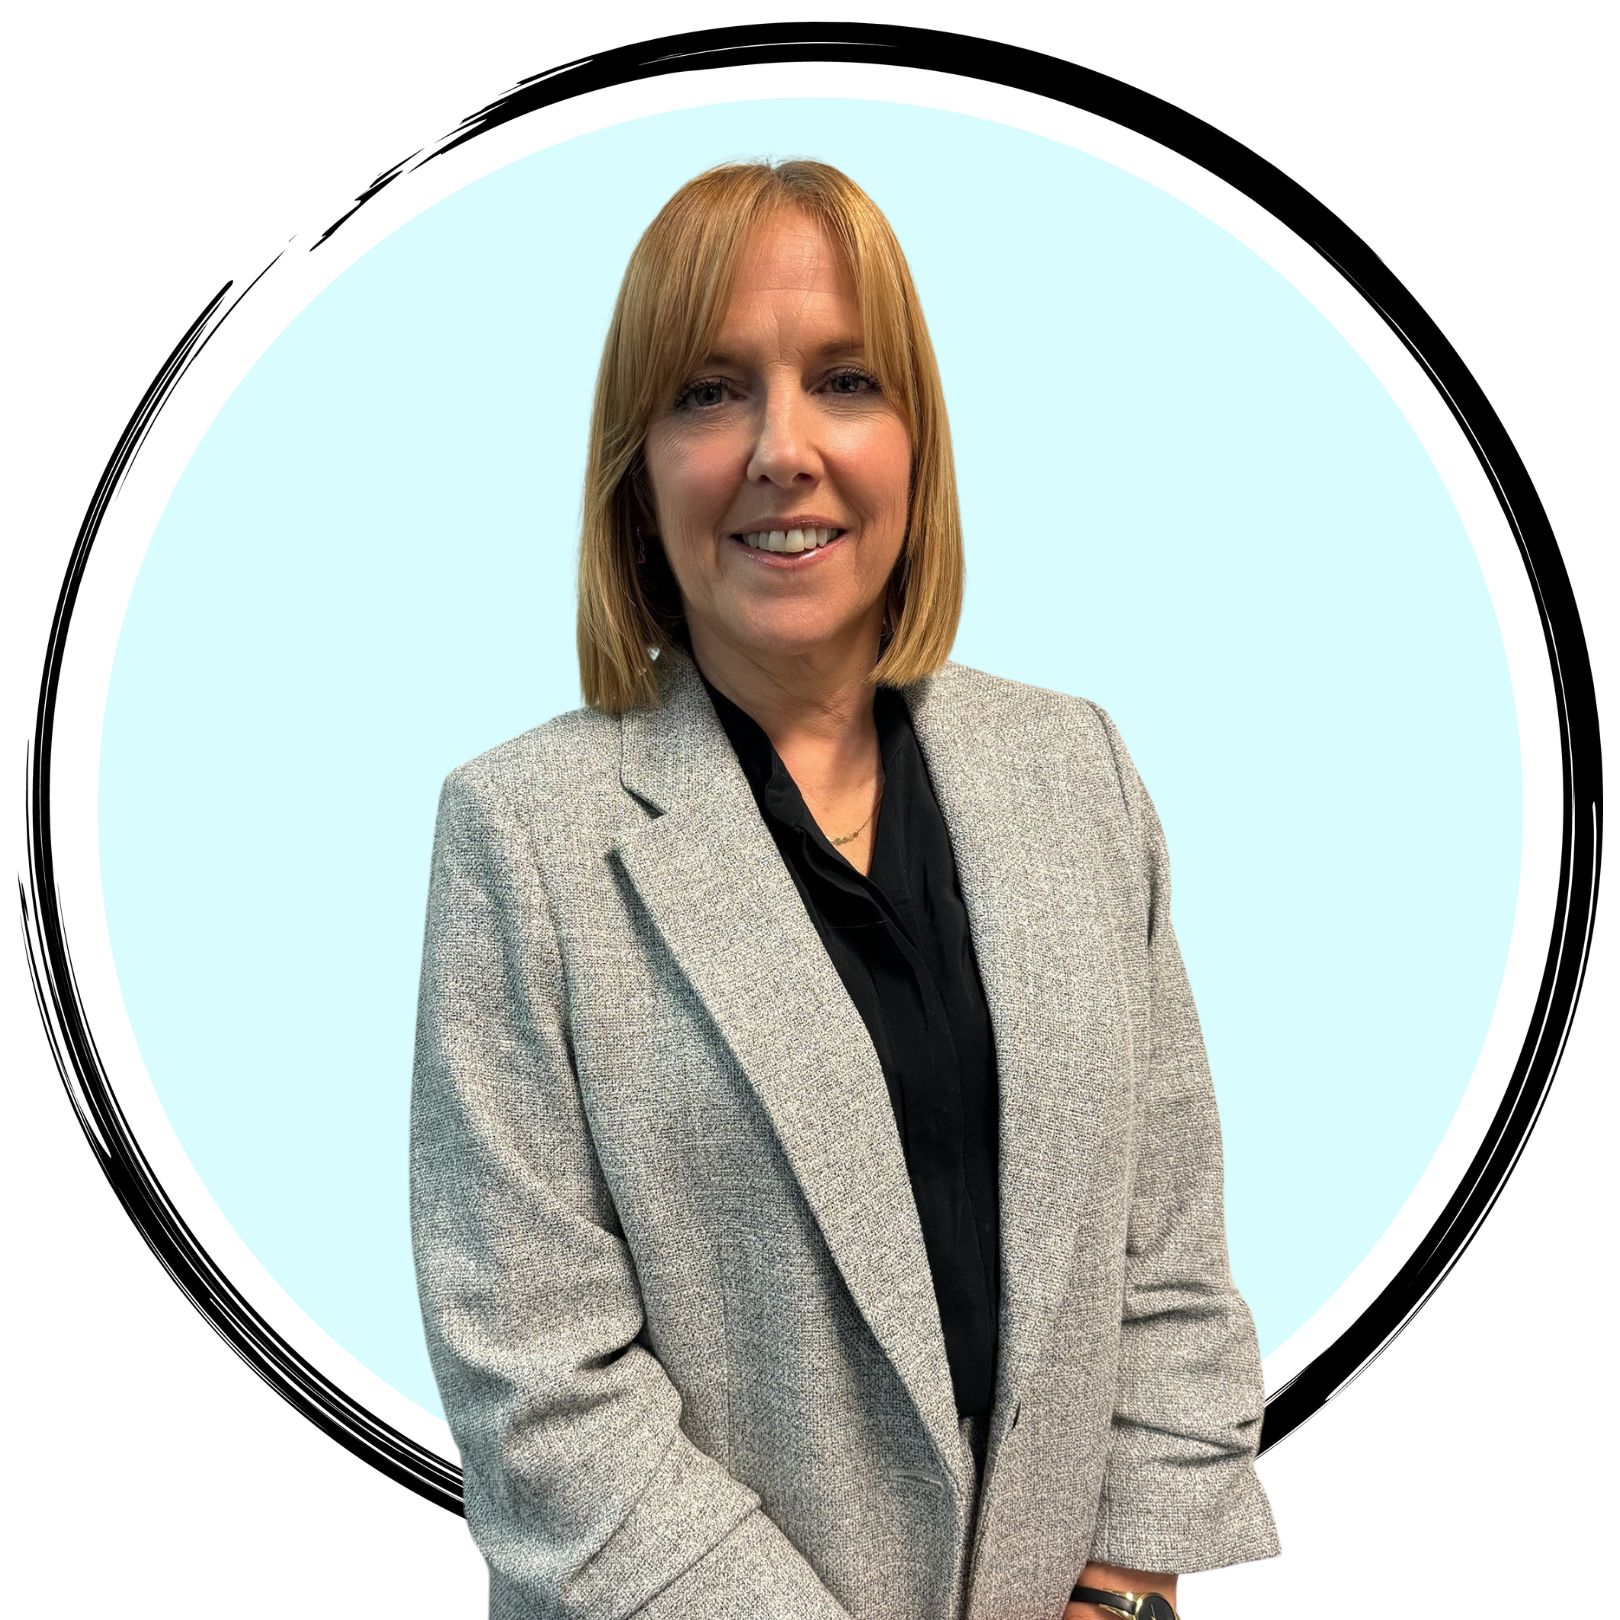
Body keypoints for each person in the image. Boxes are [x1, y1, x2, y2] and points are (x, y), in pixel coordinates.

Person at [410, 157, 1279, 1620]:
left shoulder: (1077, 771)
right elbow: (536, 1388)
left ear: (917, 443)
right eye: (709, 391)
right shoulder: (524, 835)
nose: (782, 449)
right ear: (637, 466)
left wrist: (1124, 1591)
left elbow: (1170, 1264)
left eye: (845, 380)